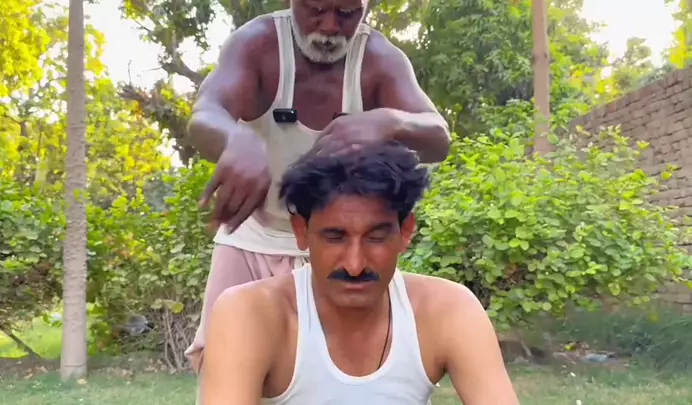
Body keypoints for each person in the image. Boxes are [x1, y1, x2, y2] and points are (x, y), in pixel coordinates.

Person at [184, 0, 451, 375]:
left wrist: (390, 122)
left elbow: (438, 137)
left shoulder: (378, 59)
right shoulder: (257, 44)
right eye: (315, 9)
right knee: (223, 363)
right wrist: (235, 140)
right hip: (252, 238)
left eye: (346, 14)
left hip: (340, 246)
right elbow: (205, 114)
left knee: (339, 371)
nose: (329, 26)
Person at [201, 141, 520, 405]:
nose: (355, 265)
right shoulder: (250, 314)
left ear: (405, 231)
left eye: (376, 237)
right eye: (334, 237)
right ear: (301, 231)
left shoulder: (448, 310)